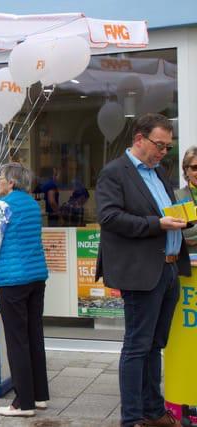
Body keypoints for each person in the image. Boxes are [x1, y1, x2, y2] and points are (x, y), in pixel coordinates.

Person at [95, 113, 190, 427]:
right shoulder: (114, 172)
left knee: (154, 345)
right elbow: (109, 218)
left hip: (169, 269)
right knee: (137, 347)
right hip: (141, 272)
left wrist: (182, 218)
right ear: (139, 139)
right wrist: (157, 224)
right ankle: (132, 418)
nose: (164, 152)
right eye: (159, 145)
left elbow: (165, 212)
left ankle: (153, 411)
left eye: (168, 147)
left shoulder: (159, 171)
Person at [0, 163, 49, 417]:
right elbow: (16, 231)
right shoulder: (31, 204)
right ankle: (38, 395)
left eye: (0, 178)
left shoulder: (3, 206)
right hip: (35, 275)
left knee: (17, 340)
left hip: (12, 279)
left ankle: (23, 403)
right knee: (34, 336)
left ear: (11, 182)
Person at [175, 146, 197, 251]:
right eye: (195, 168)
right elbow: (179, 233)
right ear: (186, 170)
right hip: (190, 257)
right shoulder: (176, 196)